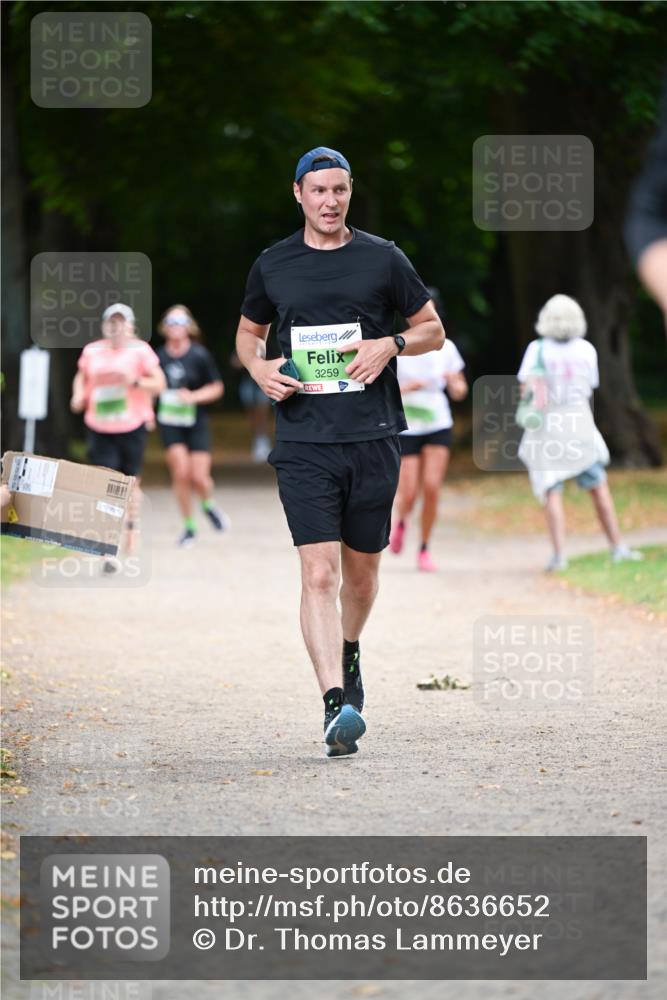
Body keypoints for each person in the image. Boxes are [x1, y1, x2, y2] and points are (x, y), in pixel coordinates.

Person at [235, 145, 444, 757]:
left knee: (362, 575)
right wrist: (260, 370)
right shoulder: (273, 264)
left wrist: (392, 343)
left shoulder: (383, 258)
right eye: (319, 190)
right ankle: (334, 703)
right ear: (297, 193)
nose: (330, 201)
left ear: (350, 193)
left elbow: (433, 330)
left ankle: (350, 647)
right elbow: (248, 335)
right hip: (303, 440)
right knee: (318, 571)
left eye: (340, 190)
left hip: (373, 436)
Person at [517, 294, 643, 572]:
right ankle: (617, 546)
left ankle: (560, 555)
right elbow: (590, 386)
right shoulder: (587, 350)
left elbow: (528, 389)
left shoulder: (537, 349)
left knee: (551, 489)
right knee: (598, 486)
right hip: (579, 423)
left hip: (549, 425)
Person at [70, 303, 165, 572]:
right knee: (106, 485)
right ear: (104, 325)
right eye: (111, 322)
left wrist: (134, 381)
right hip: (99, 425)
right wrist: (78, 395)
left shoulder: (141, 351)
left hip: (131, 424)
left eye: (121, 322)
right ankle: (106, 549)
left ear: (131, 326)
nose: (116, 327)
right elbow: (81, 377)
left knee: (130, 484)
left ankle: (132, 528)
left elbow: (160, 383)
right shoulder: (92, 350)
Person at [389, 326, 467, 571]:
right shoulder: (397, 348)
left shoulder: (447, 347)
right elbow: (384, 392)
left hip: (438, 424)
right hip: (408, 426)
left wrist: (455, 385)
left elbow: (460, 390)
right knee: (409, 492)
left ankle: (424, 547)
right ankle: (401, 520)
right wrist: (407, 388)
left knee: (432, 487)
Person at [156, 305, 229, 547]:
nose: (176, 326)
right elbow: (149, 386)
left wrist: (193, 397)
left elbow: (217, 387)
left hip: (196, 420)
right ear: (164, 327)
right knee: (180, 473)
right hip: (170, 421)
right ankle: (189, 527)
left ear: (189, 326)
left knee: (199, 477)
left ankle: (208, 505)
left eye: (180, 321)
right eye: (171, 321)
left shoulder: (199, 355)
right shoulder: (158, 357)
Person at [229, 349, 273, 462]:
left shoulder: (269, 346)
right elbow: (235, 362)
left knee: (262, 413)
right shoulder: (243, 344)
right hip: (248, 382)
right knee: (252, 415)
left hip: (262, 383)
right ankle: (257, 441)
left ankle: (264, 441)